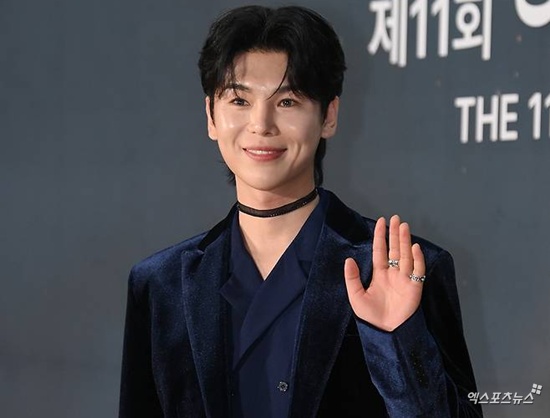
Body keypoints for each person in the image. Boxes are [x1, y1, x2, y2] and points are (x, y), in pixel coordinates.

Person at [119, 5, 482, 418]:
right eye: (239, 100)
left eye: (287, 101)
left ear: (328, 116)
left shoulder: (402, 268)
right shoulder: (161, 284)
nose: (261, 124)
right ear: (211, 117)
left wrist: (397, 341)